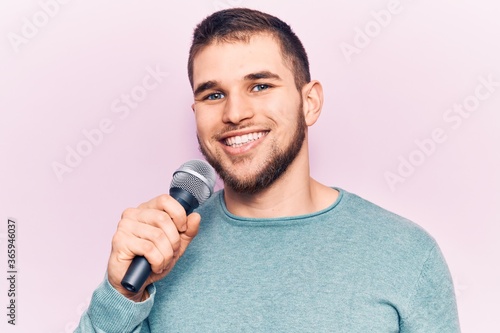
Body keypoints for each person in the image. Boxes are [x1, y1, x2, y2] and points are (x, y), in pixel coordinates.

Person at [76, 8, 460, 332]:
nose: (235, 113)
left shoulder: (406, 254)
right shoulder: (158, 255)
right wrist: (121, 296)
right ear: (196, 114)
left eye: (259, 86)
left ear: (309, 102)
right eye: (213, 94)